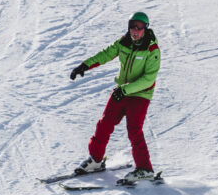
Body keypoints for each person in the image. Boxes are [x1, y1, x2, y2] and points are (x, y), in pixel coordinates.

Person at [69, 12, 161, 184]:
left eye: (140, 27)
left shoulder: (152, 50)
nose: (135, 30)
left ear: (145, 29)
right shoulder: (123, 42)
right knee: (105, 123)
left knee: (134, 129)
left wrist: (126, 90)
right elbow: (105, 54)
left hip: (140, 93)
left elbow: (149, 79)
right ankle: (96, 160)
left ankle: (145, 169)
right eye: (133, 25)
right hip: (122, 91)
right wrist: (85, 65)